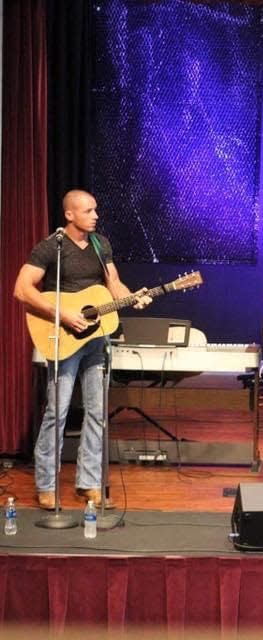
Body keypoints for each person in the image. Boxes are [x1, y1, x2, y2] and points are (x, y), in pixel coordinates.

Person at [14, 190, 153, 510]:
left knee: (96, 413)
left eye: (95, 209)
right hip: (62, 338)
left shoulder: (100, 243)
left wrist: (134, 296)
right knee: (57, 412)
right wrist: (62, 314)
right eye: (88, 211)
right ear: (70, 215)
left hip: (96, 339)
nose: (95, 215)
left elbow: (113, 284)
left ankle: (88, 483)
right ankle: (46, 485)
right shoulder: (51, 247)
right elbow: (21, 289)